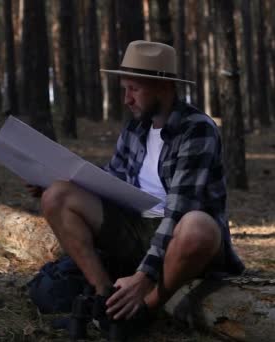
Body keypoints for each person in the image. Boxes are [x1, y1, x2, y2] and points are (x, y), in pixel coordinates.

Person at [37, 40, 244, 330]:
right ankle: (105, 297)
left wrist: (144, 278)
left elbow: (179, 211)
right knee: (57, 195)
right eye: (125, 89)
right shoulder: (137, 127)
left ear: (163, 86)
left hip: (182, 240)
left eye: (134, 89)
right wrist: (54, 179)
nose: (127, 99)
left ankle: (144, 311)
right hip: (136, 226)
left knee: (198, 225)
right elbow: (113, 179)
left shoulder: (197, 130)